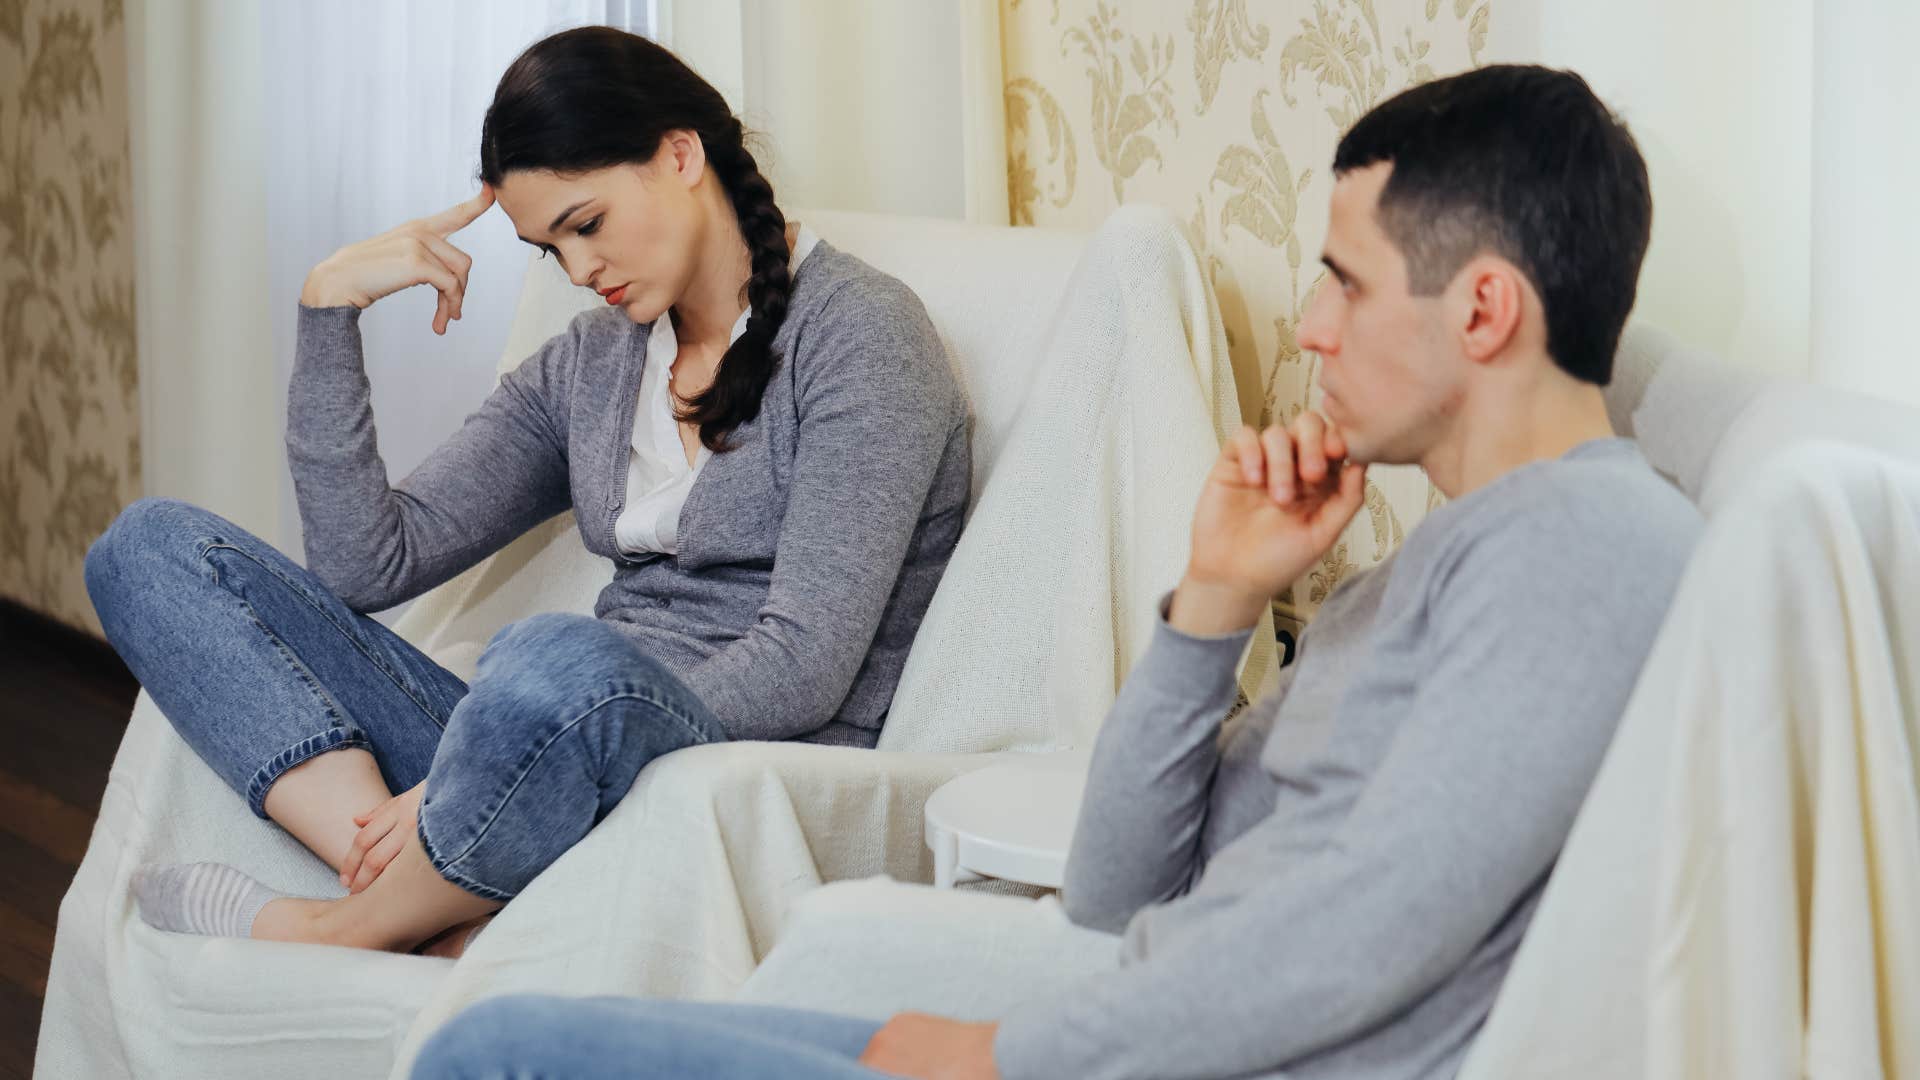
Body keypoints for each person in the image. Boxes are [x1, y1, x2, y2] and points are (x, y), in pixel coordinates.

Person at [409, 62, 1703, 1078]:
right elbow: (1117, 886)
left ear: (1483, 309)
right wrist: (1214, 606)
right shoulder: (1423, 573)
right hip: (1118, 1023)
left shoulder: (1588, 552)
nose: (1311, 328)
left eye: (1346, 285)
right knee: (506, 1037)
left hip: (1134, 1057)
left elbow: (1366, 936)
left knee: (498, 1053)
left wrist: (1007, 1056)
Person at [85, 25, 969, 959]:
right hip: (529, 756)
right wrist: (329, 307)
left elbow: (802, 666)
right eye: (551, 249)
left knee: (549, 657)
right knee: (147, 550)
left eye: (585, 225)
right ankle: (432, 907)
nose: (580, 272)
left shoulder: (862, 335)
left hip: (710, 771)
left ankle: (341, 927)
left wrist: (500, 752)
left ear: (680, 155)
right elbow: (366, 565)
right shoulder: (595, 362)